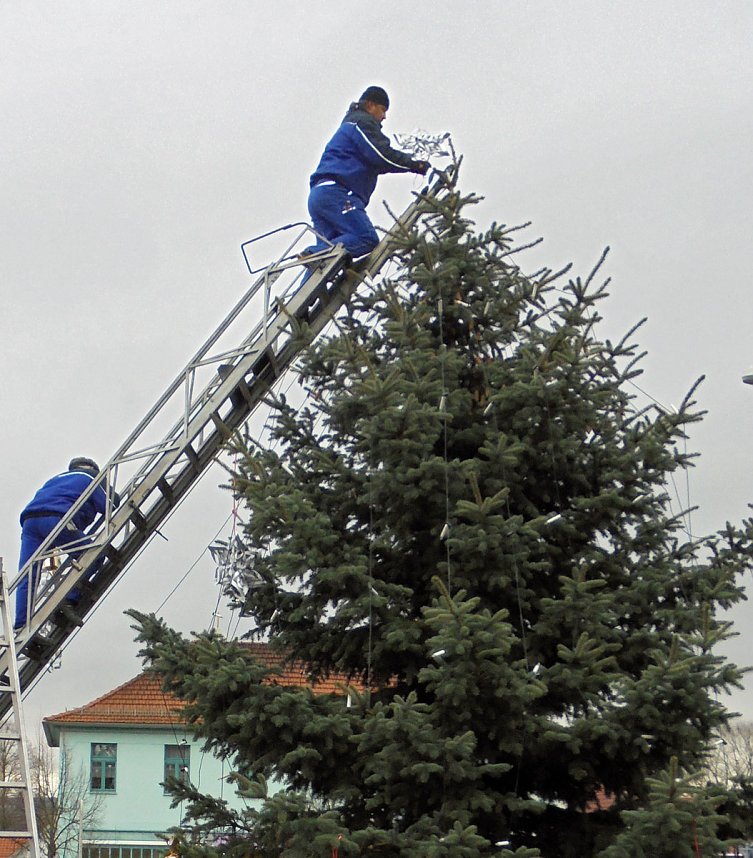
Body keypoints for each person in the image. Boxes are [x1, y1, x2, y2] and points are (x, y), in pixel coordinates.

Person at [304, 85, 430, 261]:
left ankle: (305, 283)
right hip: (338, 192)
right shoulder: (361, 123)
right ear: (370, 105)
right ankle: (313, 254)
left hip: (321, 195)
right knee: (365, 238)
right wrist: (414, 164)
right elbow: (381, 155)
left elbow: (376, 161)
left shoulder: (349, 126)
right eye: (383, 109)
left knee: (325, 263)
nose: (384, 116)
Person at [15, 457, 110, 629]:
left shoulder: (55, 479)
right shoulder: (90, 478)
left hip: (30, 523)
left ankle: (21, 624)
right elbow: (108, 506)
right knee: (94, 556)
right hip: (56, 520)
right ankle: (69, 600)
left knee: (28, 574)